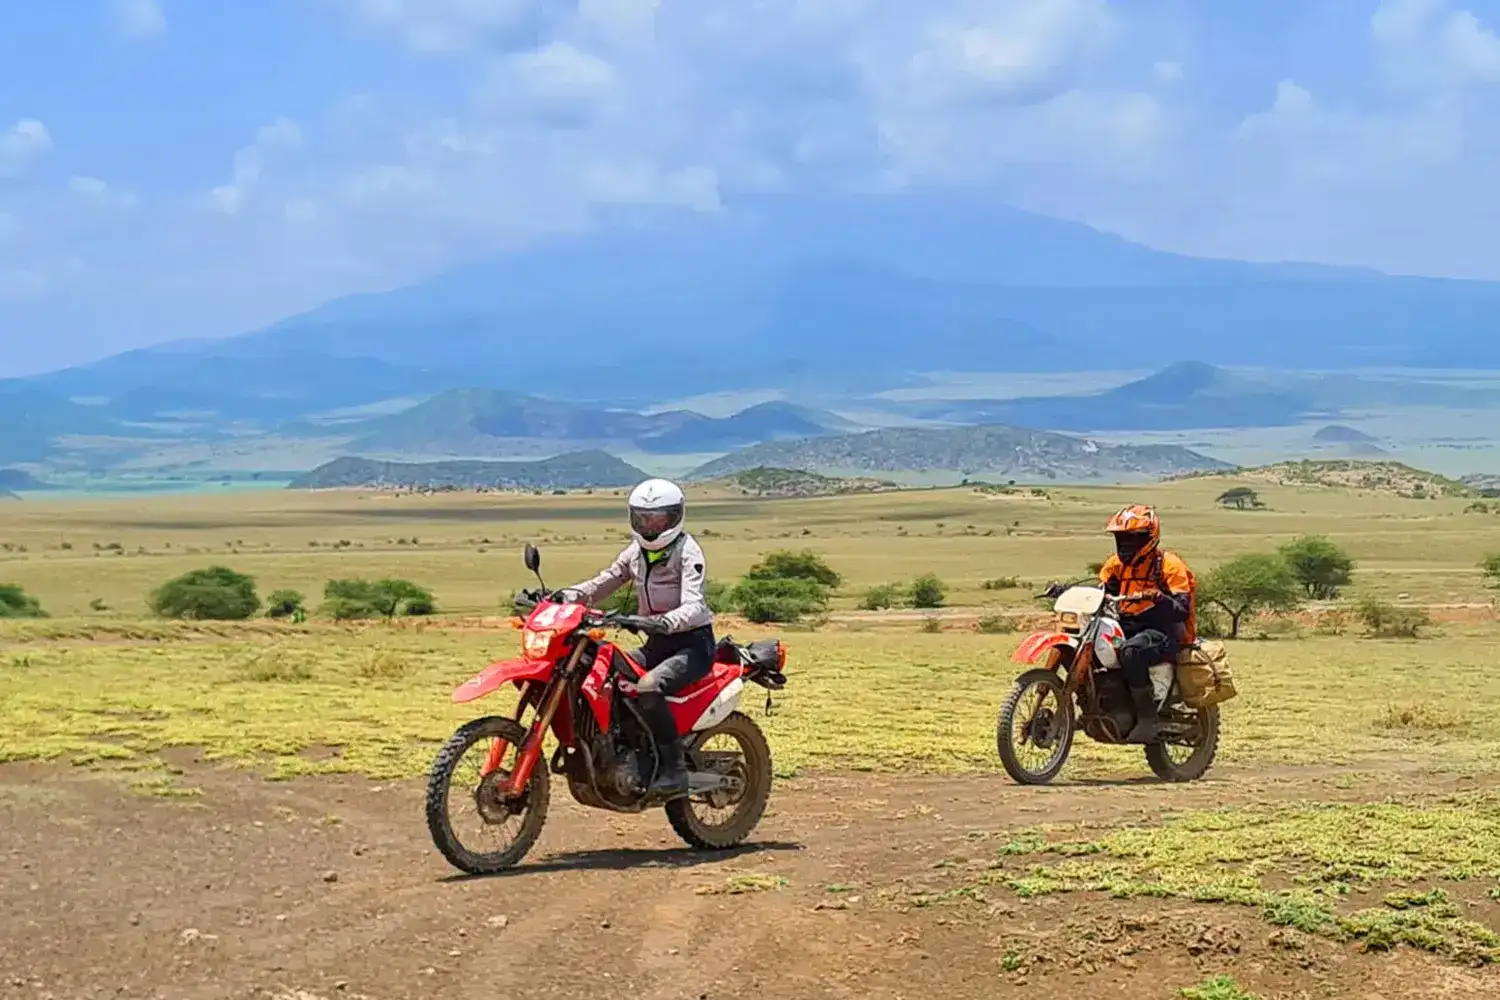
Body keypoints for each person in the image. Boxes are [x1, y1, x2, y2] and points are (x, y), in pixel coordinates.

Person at [558, 478, 713, 798]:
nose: (650, 525)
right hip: (656, 644)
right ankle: (628, 752)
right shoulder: (636, 552)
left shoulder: (688, 551)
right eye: (643, 518)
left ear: (675, 517)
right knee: (606, 674)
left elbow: (695, 605)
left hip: (692, 644)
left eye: (658, 518)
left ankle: (674, 769)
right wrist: (565, 596)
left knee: (649, 686)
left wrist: (665, 621)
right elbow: (605, 581)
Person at [1097, 504, 1196, 743]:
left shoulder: (1170, 565)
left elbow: (1181, 610)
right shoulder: (1116, 565)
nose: (1126, 544)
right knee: (1096, 646)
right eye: (1121, 538)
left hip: (1163, 630)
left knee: (1131, 652)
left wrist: (1159, 597)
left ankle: (1148, 718)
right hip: (1127, 624)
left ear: (1150, 537)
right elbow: (1101, 590)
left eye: (1133, 538)